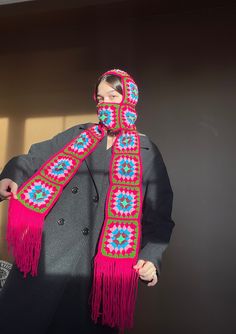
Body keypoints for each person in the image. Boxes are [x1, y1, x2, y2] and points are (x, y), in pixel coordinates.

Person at [0, 69, 175, 334]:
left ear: (129, 99)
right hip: (47, 257)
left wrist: (151, 259)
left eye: (113, 97)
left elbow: (159, 214)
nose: (105, 105)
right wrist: (11, 176)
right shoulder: (78, 135)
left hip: (96, 271)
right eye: (101, 99)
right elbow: (34, 158)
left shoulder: (146, 151)